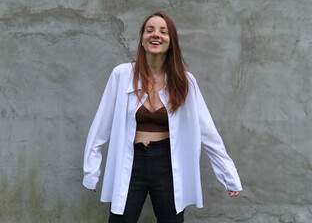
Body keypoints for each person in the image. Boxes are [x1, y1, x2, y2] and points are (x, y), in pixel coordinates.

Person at [82, 12, 242, 223]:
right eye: (150, 30)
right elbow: (101, 125)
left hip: (167, 164)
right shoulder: (122, 75)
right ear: (142, 38)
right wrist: (91, 171)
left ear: (171, 41)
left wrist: (228, 175)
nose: (155, 35)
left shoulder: (185, 81)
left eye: (163, 31)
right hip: (130, 163)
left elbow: (207, 130)